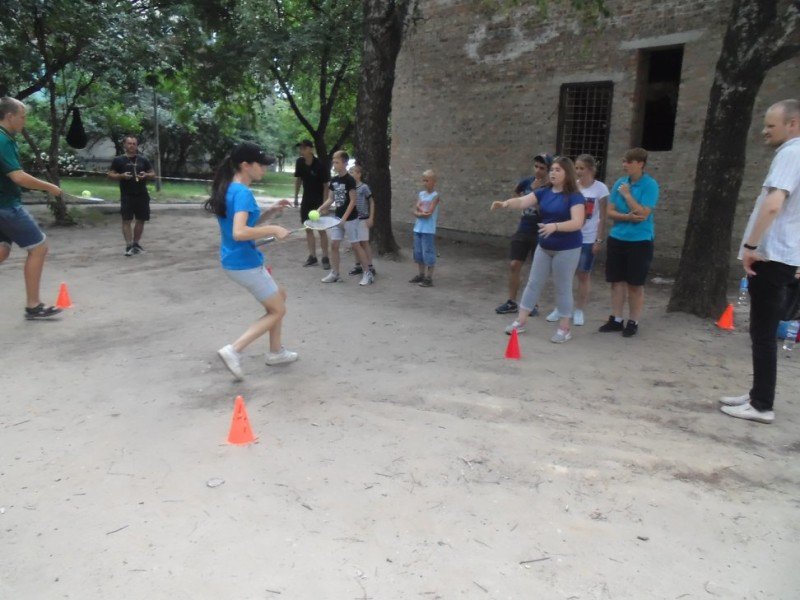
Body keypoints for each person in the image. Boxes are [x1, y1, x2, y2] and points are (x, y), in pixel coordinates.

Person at [720, 99, 800, 424]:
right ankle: (758, 394)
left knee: (763, 332)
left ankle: (762, 405)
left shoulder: (791, 153)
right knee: (761, 331)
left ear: (793, 124)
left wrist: (751, 245)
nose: (765, 131)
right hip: (781, 255)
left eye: (770, 125)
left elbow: (773, 204)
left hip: (771, 255)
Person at [204, 142, 297, 381]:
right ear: (245, 165)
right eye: (261, 164)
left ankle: (276, 352)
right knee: (278, 310)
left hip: (235, 260)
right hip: (245, 263)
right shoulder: (243, 193)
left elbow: (244, 224)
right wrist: (274, 229)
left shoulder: (231, 188)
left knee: (280, 295)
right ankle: (234, 350)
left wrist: (270, 212)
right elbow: (240, 232)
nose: (264, 168)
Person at [492, 157, 585, 343]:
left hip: (567, 248)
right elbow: (522, 201)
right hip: (545, 246)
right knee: (533, 283)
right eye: (552, 169)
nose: (553, 173)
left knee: (563, 287)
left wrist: (555, 227)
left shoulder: (575, 196)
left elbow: (577, 222)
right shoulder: (544, 192)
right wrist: (505, 203)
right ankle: (520, 321)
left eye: (558, 170)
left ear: (567, 173)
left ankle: (564, 328)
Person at [0, 97, 64, 320]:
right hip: (6, 207)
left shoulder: (6, 138)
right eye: (22, 116)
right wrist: (50, 187)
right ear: (10, 116)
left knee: (2, 250)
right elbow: (18, 176)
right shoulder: (2, 140)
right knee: (39, 247)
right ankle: (33, 306)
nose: (24, 120)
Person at [598, 148, 659, 338]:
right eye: (624, 161)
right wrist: (627, 217)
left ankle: (633, 321)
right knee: (616, 281)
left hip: (640, 240)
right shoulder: (620, 182)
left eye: (629, 162)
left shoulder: (650, 185)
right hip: (617, 238)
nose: (625, 165)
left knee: (635, 284)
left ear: (640, 164)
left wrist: (627, 195)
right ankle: (616, 319)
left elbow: (643, 213)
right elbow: (610, 211)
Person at [545, 154, 609, 326]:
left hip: (588, 238)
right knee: (564, 274)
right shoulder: (573, 186)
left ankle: (579, 309)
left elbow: (603, 217)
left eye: (582, 168)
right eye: (576, 168)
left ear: (591, 169)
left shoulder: (601, 189)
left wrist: (599, 239)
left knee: (583, 274)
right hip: (570, 236)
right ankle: (561, 307)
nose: (578, 171)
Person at [495, 153, 553, 315]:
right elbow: (517, 192)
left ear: (548, 170)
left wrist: (535, 199)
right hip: (523, 229)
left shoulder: (549, 188)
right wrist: (519, 202)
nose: (538, 170)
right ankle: (511, 302)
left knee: (537, 270)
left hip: (540, 231)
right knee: (514, 265)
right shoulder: (527, 182)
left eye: (542, 168)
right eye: (536, 167)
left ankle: (533, 304)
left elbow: (548, 211)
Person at [317, 150, 371, 284]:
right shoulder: (334, 180)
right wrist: (320, 209)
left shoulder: (350, 180)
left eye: (337, 162)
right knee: (334, 245)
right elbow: (331, 199)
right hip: (337, 219)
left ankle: (368, 273)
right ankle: (335, 274)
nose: (334, 164)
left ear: (345, 163)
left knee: (356, 245)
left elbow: (353, 201)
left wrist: (344, 218)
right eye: (333, 162)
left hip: (351, 219)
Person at [108, 135, 156, 256]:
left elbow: (153, 174)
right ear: (124, 145)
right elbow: (110, 174)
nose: (132, 146)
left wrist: (146, 175)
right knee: (127, 220)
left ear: (137, 146)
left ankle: (136, 244)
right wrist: (121, 176)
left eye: (134, 144)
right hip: (127, 194)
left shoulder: (143, 159)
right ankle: (128, 245)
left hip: (142, 194)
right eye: (129, 143)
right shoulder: (118, 160)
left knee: (141, 219)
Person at [293, 140, 330, 269]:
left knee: (321, 230)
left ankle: (325, 257)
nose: (301, 151)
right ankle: (312, 257)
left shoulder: (320, 165)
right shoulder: (300, 162)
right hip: (306, 200)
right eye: (300, 148)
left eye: (303, 148)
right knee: (308, 229)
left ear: (310, 149)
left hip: (318, 201)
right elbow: (298, 180)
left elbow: (326, 186)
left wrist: (325, 205)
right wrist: (296, 197)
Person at [409, 169, 440, 287]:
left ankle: (429, 278)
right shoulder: (421, 194)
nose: (425, 183)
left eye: (427, 180)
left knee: (428, 252)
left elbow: (429, 213)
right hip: (418, 228)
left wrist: (420, 211)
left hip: (428, 230)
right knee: (418, 252)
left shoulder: (435, 196)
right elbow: (415, 210)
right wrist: (420, 212)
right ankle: (421, 274)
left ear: (433, 182)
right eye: (424, 180)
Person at [347, 164, 376, 285]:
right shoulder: (350, 187)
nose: (351, 174)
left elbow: (372, 202)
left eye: (353, 172)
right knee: (355, 244)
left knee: (364, 243)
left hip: (363, 219)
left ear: (359, 174)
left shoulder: (364, 187)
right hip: (353, 219)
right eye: (350, 172)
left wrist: (371, 217)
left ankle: (370, 266)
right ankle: (358, 265)